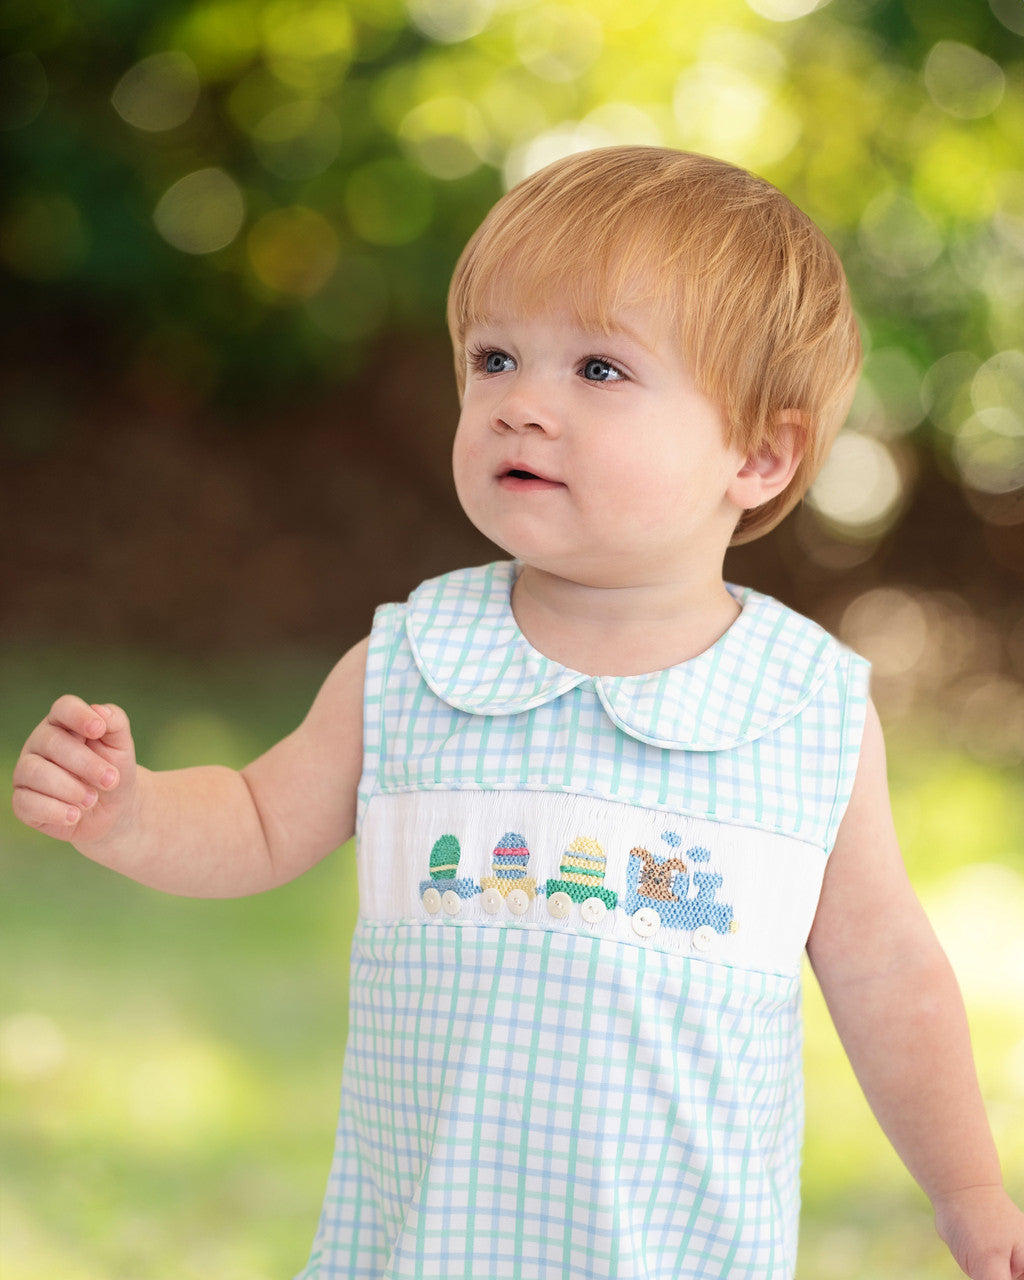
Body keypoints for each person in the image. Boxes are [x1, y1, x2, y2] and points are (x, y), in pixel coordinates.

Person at [12, 146, 1024, 1280]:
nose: (520, 405)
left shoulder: (801, 707)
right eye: (494, 358)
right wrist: (129, 809)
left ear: (759, 451)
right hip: (417, 1252)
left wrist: (969, 1192)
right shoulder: (417, 659)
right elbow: (255, 819)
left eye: (598, 368)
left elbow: (886, 969)